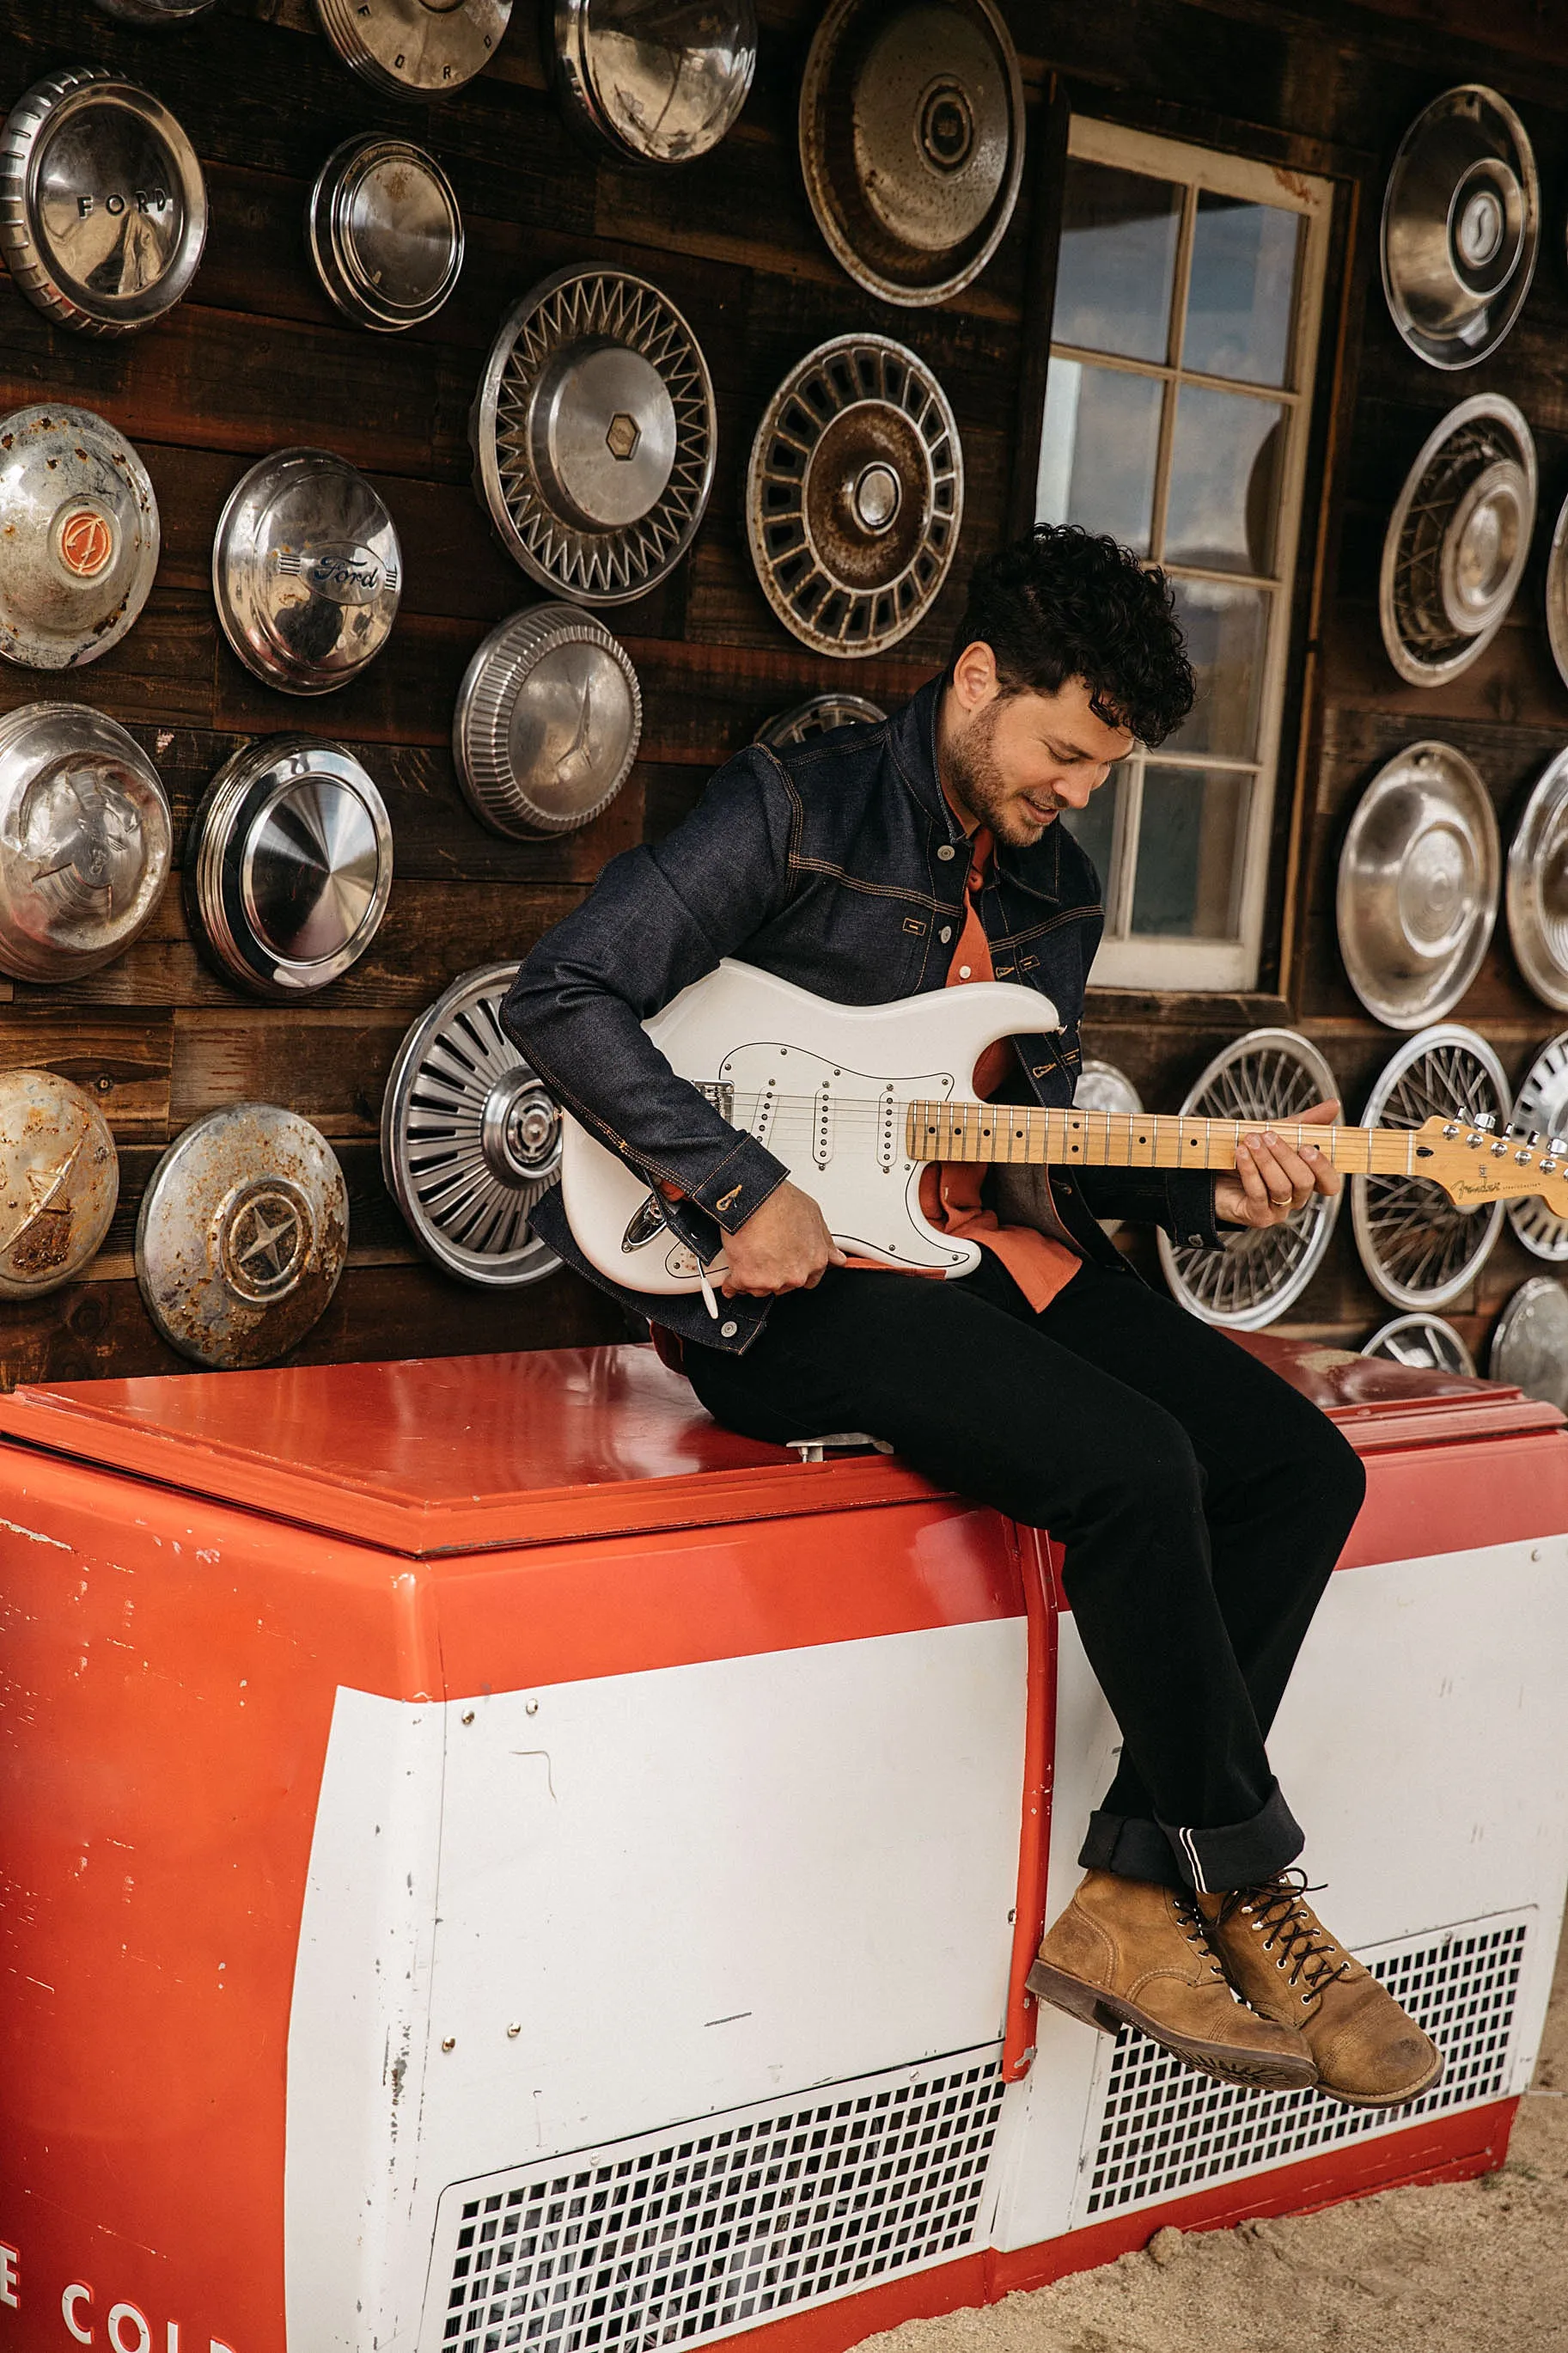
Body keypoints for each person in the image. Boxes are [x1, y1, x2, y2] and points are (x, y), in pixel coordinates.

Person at [501, 524, 1442, 2108]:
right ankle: (1245, 1884)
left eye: (1105, 769)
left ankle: (1137, 1891)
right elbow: (563, 992)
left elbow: (1032, 1136)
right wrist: (738, 1187)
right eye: (1065, 751)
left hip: (974, 1255)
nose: (1077, 792)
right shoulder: (803, 801)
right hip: (778, 1292)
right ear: (981, 679)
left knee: (1301, 1468)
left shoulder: (1057, 894)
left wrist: (1215, 1194)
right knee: (1136, 1466)